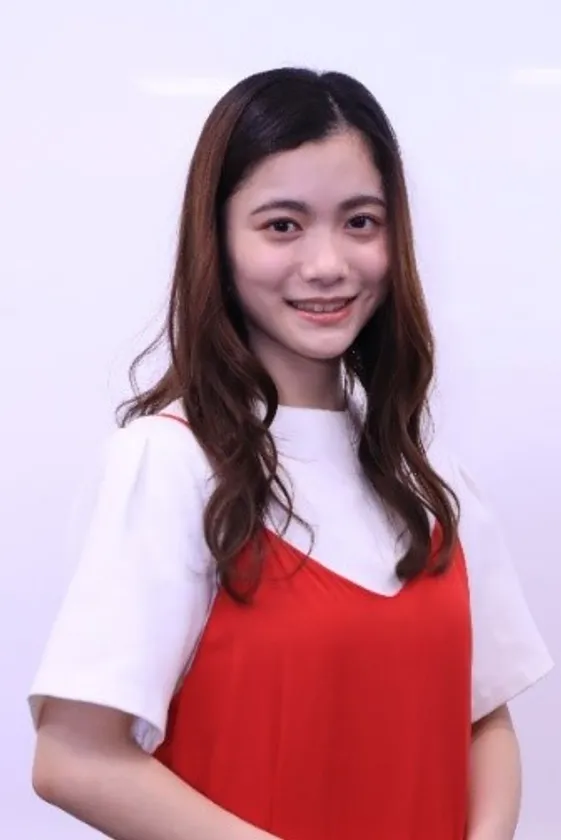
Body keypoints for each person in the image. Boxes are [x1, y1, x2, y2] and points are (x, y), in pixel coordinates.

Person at [29, 67, 552, 840]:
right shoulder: (169, 464)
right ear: (217, 240)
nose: (327, 263)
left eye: (360, 222)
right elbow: (75, 759)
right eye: (282, 225)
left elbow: (484, 720)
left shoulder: (430, 479)